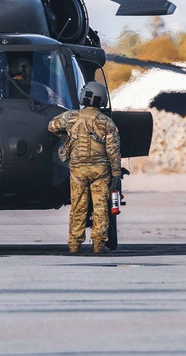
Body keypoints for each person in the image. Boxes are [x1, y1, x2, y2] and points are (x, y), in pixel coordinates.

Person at [47, 81, 122, 255]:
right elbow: (113, 151)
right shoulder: (107, 123)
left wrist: (67, 136)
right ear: (101, 100)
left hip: (78, 170)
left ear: (84, 97)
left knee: (78, 207)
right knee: (100, 206)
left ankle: (74, 244)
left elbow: (51, 126)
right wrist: (116, 175)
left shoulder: (70, 117)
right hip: (100, 171)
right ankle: (98, 244)